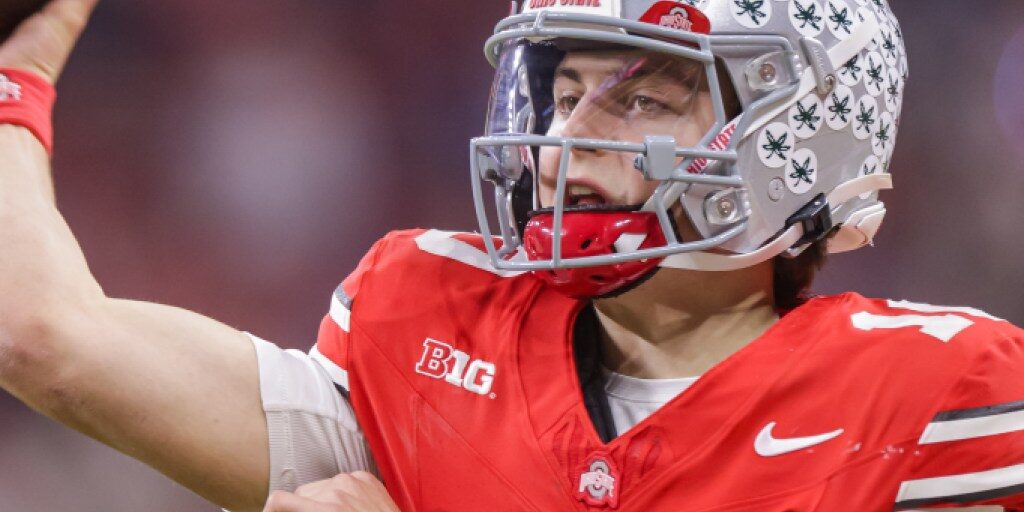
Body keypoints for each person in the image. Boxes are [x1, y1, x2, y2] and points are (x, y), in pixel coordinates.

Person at [0, 1, 1021, 512]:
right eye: (564, 92)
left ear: (802, 140)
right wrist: (18, 80)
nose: (568, 138)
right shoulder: (432, 325)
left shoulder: (943, 398)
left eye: (641, 97)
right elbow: (42, 334)